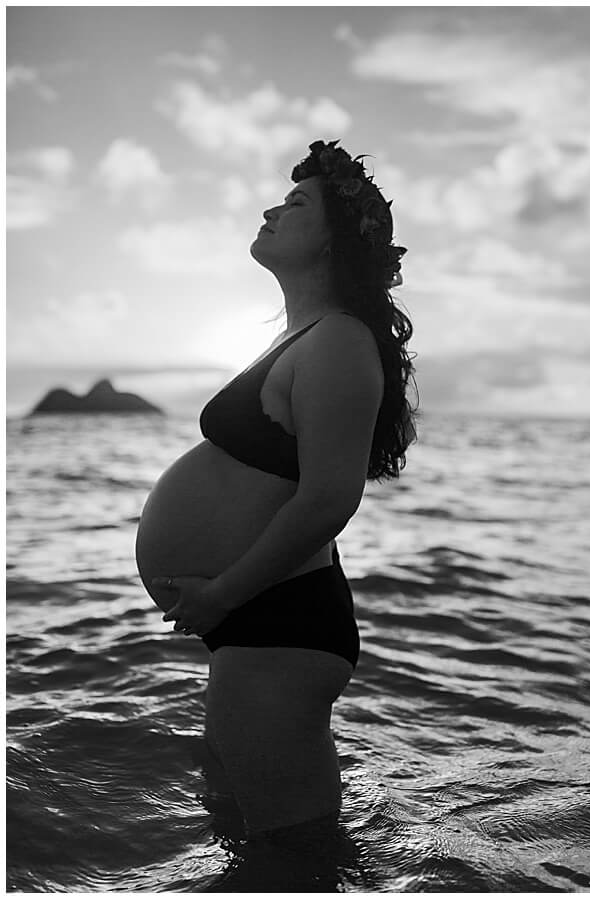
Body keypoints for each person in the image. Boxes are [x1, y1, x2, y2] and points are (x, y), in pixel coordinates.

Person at [135, 139, 415, 844]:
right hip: (260, 624)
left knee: (295, 860)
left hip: (274, 625)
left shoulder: (341, 342)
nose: (271, 209)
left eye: (295, 205)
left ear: (333, 244)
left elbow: (329, 499)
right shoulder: (307, 337)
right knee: (241, 836)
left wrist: (225, 592)